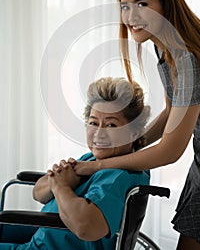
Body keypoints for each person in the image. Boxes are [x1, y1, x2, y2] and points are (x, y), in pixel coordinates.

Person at [71, 0, 200, 250]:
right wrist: (133, 142)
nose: (131, 16)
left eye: (142, 4)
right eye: (124, 6)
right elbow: (172, 111)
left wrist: (98, 165)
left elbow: (170, 151)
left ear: (166, 4)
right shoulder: (164, 46)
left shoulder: (189, 60)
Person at [0, 77, 150, 250]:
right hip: (38, 236)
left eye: (111, 124)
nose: (99, 133)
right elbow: (38, 193)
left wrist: (61, 187)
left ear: (134, 133)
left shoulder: (119, 176)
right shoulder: (91, 160)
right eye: (93, 123)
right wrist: (58, 182)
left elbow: (86, 228)